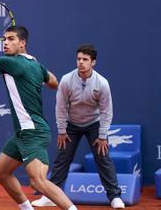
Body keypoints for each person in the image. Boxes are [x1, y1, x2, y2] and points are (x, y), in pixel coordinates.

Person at [0, 27, 75, 210]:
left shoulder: (10, 62)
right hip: (22, 133)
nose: (6, 43)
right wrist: (32, 75)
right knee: (1, 172)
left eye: (11, 39)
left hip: (31, 132)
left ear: (22, 43)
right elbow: (53, 82)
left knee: (38, 182)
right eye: (4, 39)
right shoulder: (34, 63)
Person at [31, 45, 124, 209]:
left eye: (85, 59)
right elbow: (60, 107)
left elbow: (106, 111)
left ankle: (114, 197)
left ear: (93, 62)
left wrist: (102, 135)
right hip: (71, 125)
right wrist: (62, 130)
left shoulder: (102, 83)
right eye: (79, 59)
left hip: (94, 124)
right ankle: (51, 197)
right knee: (62, 159)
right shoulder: (67, 80)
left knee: (103, 158)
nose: (81, 62)